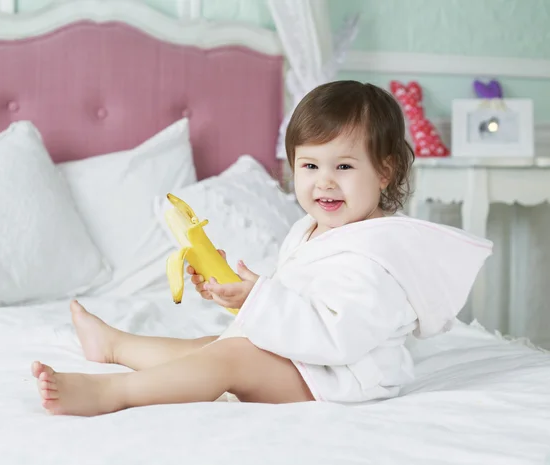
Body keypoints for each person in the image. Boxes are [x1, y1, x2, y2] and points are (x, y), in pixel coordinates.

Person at [31, 80, 492, 416]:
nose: (324, 181)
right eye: (310, 165)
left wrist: (260, 299)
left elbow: (338, 338)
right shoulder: (310, 229)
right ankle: (116, 345)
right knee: (219, 345)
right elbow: (296, 304)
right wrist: (238, 296)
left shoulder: (378, 258)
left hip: (344, 378)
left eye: (345, 166)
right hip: (308, 360)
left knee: (231, 357)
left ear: (385, 172)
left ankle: (112, 395)